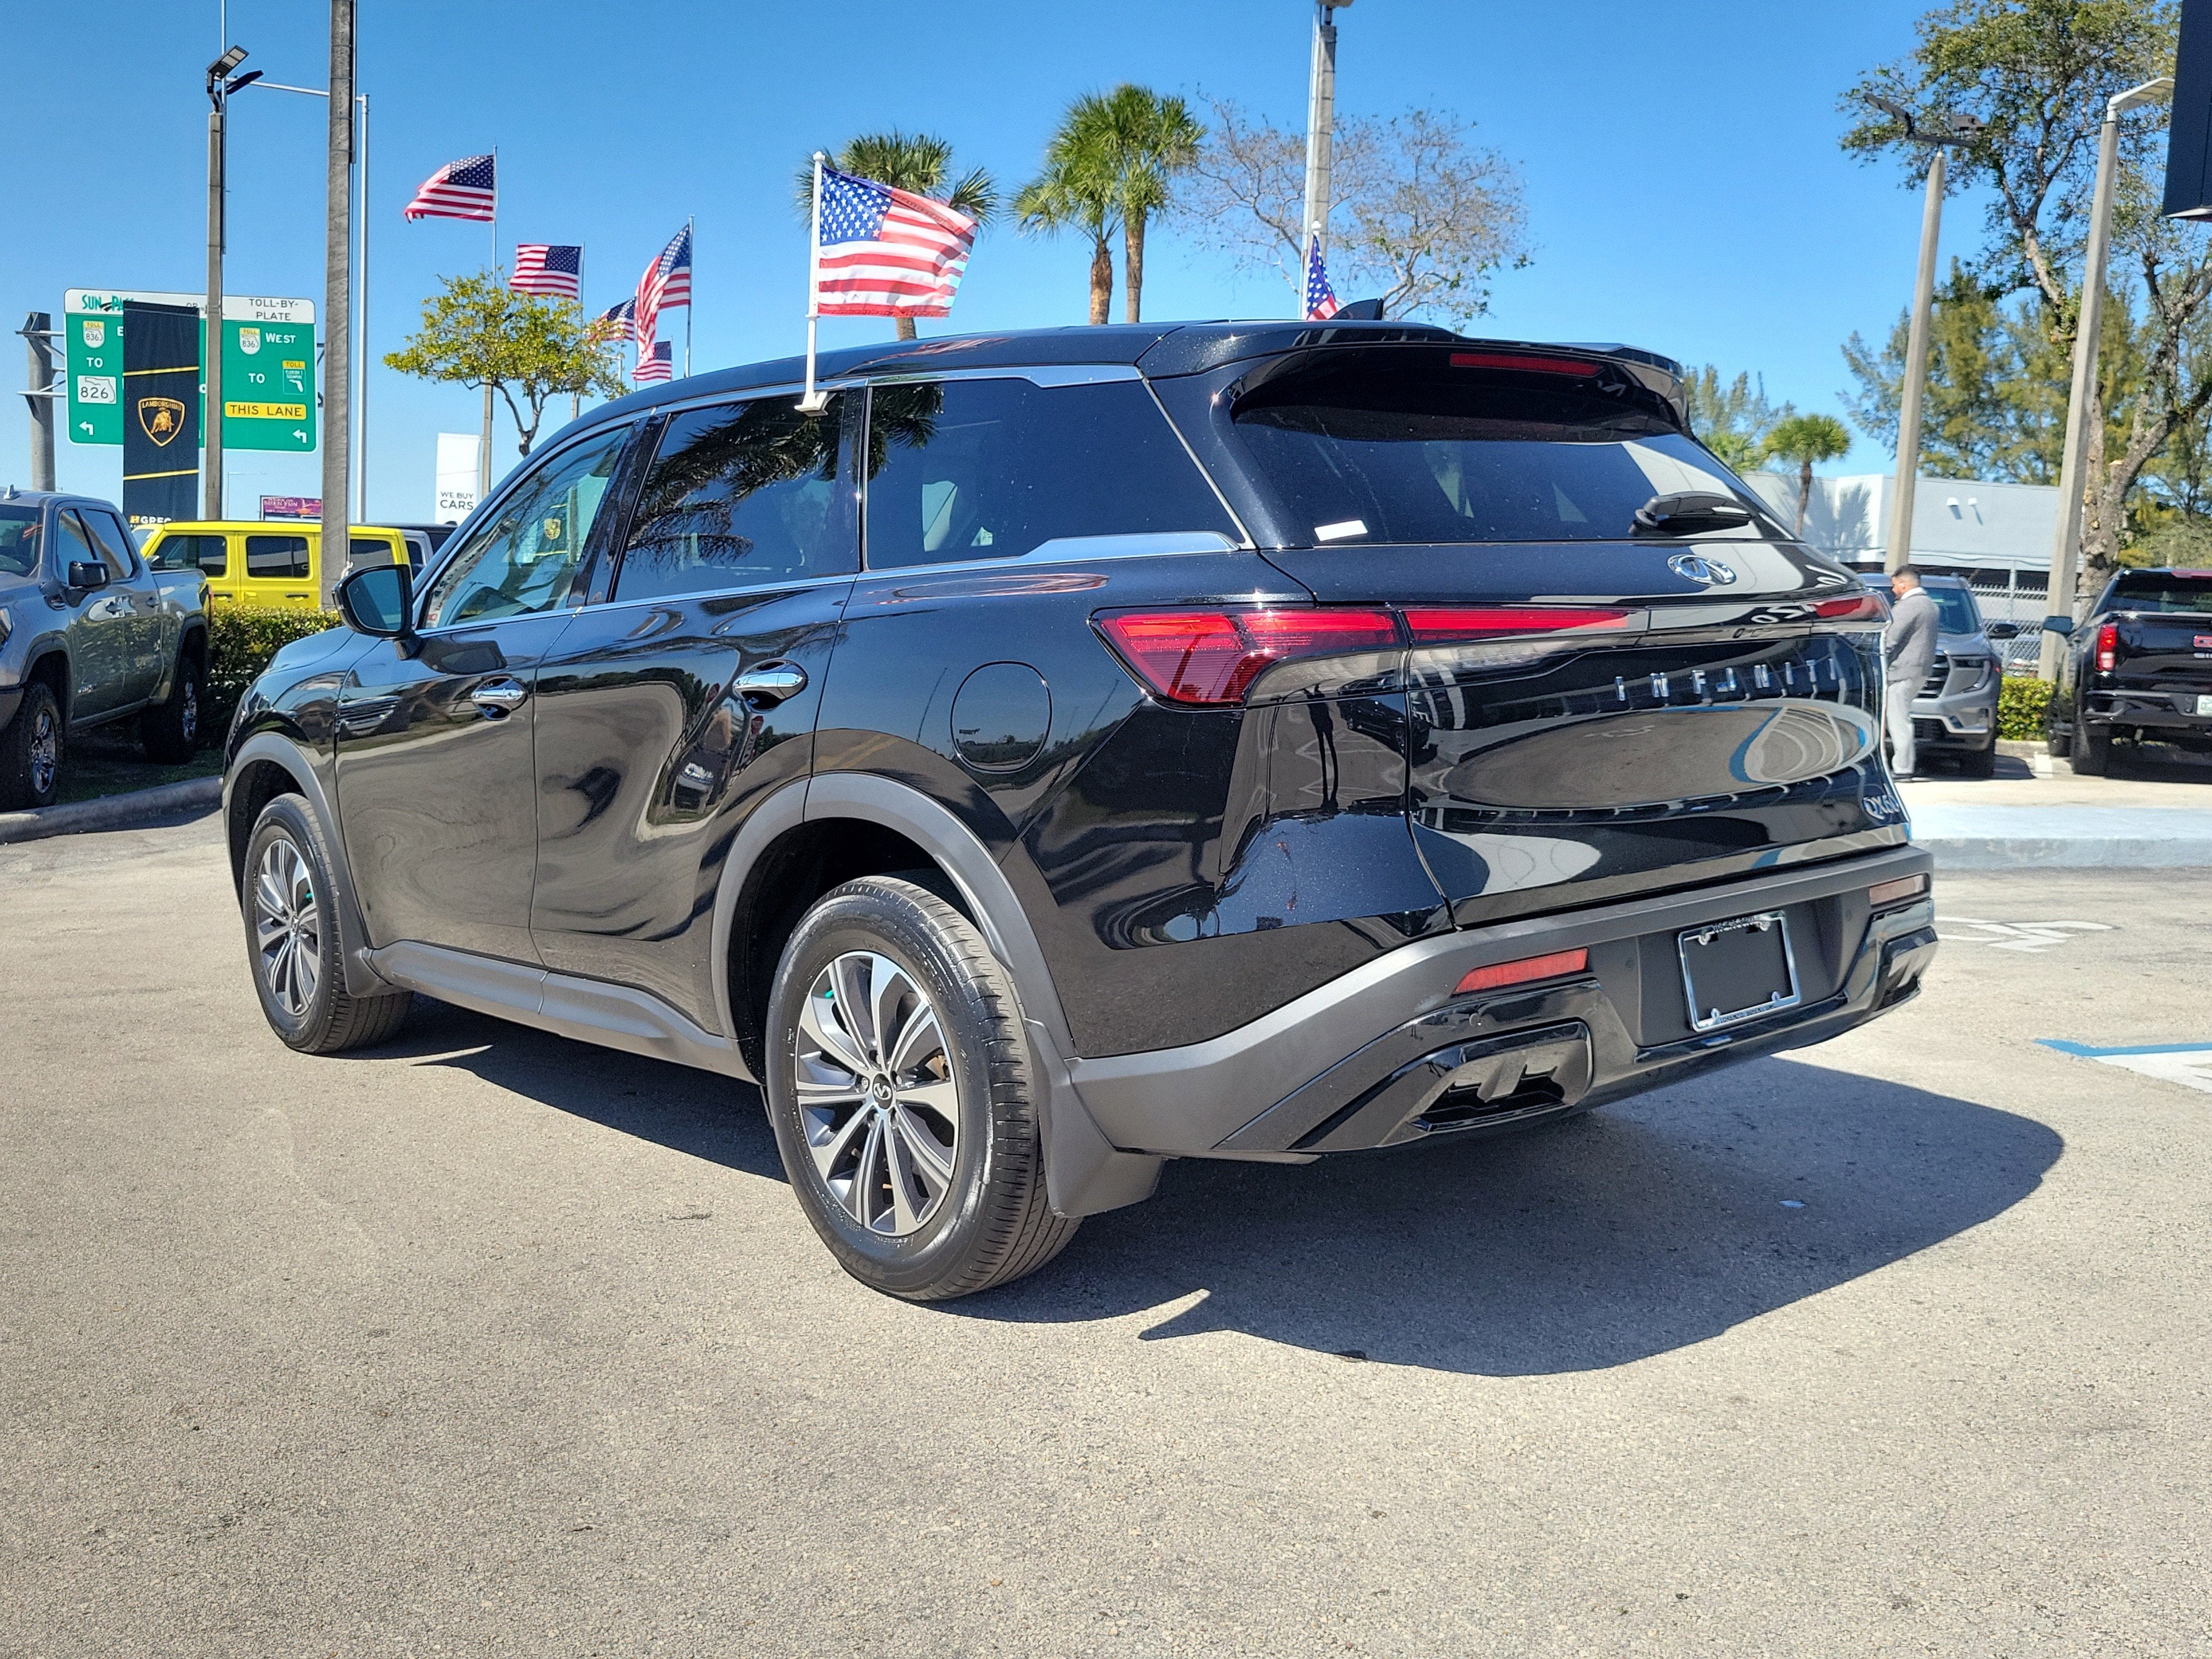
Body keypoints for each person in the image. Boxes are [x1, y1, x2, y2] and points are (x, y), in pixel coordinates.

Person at [1883, 566, 1940, 780]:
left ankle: (1903, 768)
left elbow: (1889, 639)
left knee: (1898, 720)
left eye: (1894, 585)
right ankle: (1903, 765)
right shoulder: (1930, 606)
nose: (1893, 590)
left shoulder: (1909, 606)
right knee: (1902, 718)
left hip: (1901, 671)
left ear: (1903, 584)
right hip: (1919, 670)